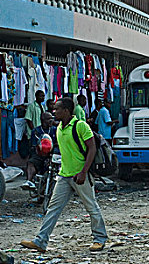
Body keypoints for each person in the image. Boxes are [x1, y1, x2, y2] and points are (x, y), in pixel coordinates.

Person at [20, 97, 108, 253]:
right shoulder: (59, 127)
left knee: (92, 207)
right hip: (64, 175)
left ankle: (99, 239)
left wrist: (83, 172)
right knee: (53, 209)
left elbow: (92, 149)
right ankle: (40, 241)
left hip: (80, 175)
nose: (54, 111)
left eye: (57, 109)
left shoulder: (80, 126)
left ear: (66, 111)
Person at [20, 112, 58, 191]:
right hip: (40, 154)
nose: (51, 121)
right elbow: (33, 145)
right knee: (31, 162)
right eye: (49, 119)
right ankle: (29, 181)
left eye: (52, 118)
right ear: (43, 120)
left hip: (52, 155)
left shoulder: (55, 130)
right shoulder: (36, 131)